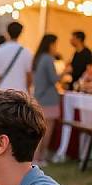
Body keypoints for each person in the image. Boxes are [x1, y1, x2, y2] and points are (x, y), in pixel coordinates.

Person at [32, 34, 60, 166]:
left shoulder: (38, 58)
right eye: (55, 44)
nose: (56, 47)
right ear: (50, 44)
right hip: (49, 98)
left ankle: (36, 157)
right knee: (46, 131)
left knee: (40, 130)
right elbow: (54, 79)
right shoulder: (48, 59)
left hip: (39, 96)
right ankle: (40, 157)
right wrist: (65, 72)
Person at [0, 21, 33, 92]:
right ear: (21, 33)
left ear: (7, 32)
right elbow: (29, 76)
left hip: (3, 91)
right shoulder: (26, 52)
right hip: (20, 92)